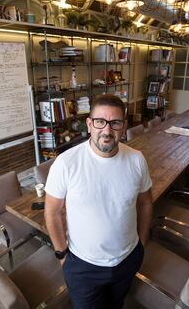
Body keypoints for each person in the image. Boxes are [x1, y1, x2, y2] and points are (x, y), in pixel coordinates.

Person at [44, 94, 153, 309]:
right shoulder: (66, 163)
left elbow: (145, 203)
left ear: (124, 126)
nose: (107, 130)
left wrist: (141, 243)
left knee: (116, 304)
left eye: (115, 123)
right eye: (100, 122)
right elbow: (52, 212)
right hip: (82, 266)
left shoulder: (136, 159)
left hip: (127, 259)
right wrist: (61, 255)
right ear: (89, 124)